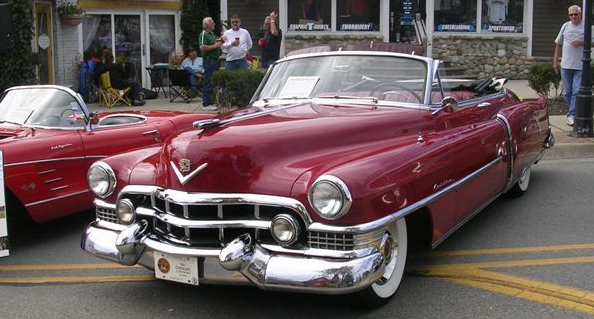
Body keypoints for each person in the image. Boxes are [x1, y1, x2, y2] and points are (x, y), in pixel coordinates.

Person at [553, 5, 590, 126]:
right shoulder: (565, 26)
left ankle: (572, 115)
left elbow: (593, 42)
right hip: (566, 64)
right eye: (571, 15)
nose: (573, 16)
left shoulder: (586, 27)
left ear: (580, 15)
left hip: (580, 65)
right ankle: (574, 112)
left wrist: (582, 42)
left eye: (576, 14)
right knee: (567, 92)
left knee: (576, 91)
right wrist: (555, 61)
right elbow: (558, 44)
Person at [199, 17, 223, 111]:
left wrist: (221, 39)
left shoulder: (212, 34)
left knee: (213, 82)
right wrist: (215, 46)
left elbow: (218, 42)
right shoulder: (204, 34)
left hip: (215, 60)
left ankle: (212, 102)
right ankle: (206, 103)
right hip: (209, 61)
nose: (214, 24)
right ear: (207, 25)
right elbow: (202, 47)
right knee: (208, 81)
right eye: (212, 22)